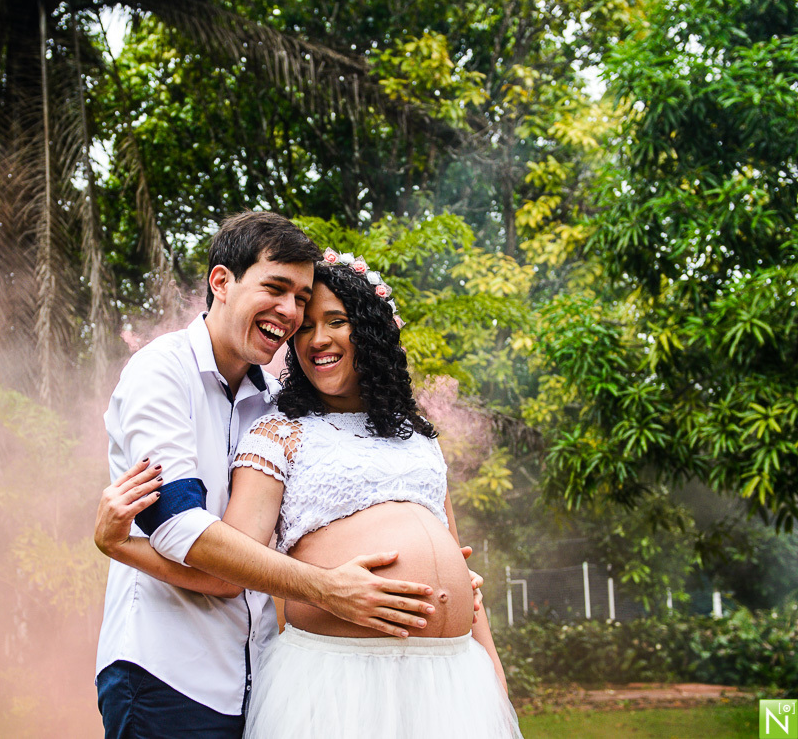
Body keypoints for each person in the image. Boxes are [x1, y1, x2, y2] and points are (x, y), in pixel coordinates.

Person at [93, 212, 472, 738]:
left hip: (255, 670)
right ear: (221, 282)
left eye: (301, 296)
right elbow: (177, 523)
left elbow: (259, 558)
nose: (292, 312)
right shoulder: (161, 373)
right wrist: (327, 588)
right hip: (168, 673)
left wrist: (439, 562)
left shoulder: (274, 403)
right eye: (277, 288)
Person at [227, 252, 522, 738]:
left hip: (451, 680)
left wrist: (491, 667)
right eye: (305, 327)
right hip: (338, 680)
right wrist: (325, 587)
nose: (317, 339)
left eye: (336, 321)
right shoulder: (278, 433)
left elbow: (462, 571)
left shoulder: (419, 437)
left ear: (371, 332)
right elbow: (236, 556)